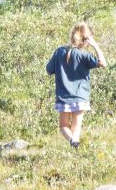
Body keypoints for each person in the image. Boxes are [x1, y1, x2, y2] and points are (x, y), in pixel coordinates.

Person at [45, 21, 107, 149]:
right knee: (76, 126)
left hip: (63, 97)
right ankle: (75, 143)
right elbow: (103, 63)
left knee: (64, 126)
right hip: (80, 96)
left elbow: (48, 70)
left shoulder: (59, 52)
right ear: (86, 40)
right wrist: (96, 46)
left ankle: (72, 141)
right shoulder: (84, 54)